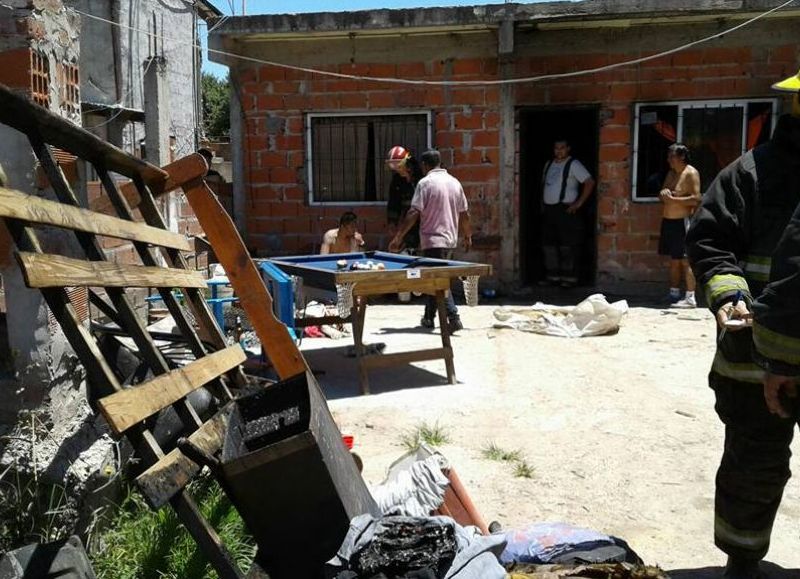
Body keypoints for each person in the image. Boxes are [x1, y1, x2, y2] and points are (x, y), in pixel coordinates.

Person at [685, 68, 800, 579]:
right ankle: (743, 558)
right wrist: (727, 292)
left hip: (759, 354)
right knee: (753, 463)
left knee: (752, 460)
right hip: (751, 352)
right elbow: (709, 240)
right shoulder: (749, 172)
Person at [388, 149, 471, 333]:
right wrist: (467, 235)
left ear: (425, 166)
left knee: (439, 282)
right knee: (436, 278)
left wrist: (398, 237)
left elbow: (413, 212)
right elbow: (464, 213)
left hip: (433, 240)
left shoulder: (424, 184)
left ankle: (454, 317)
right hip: (450, 240)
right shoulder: (454, 182)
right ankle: (428, 317)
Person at [540, 138, 595, 288]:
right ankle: (553, 277)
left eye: (562, 148)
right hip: (550, 211)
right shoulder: (549, 164)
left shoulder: (573, 164)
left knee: (568, 246)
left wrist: (579, 203)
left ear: (568, 149)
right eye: (556, 148)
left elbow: (589, 182)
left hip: (566, 210)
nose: (559, 151)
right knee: (549, 245)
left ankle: (569, 278)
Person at [658, 143, 701, 308]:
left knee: (685, 260)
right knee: (674, 260)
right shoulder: (671, 173)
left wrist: (674, 200)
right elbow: (663, 193)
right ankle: (674, 293)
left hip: (683, 221)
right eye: (668, 156)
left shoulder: (691, 173)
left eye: (672, 156)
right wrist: (664, 194)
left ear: (681, 157)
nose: (669, 160)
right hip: (669, 222)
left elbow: (696, 199)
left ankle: (690, 297)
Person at [386, 145, 423, 253]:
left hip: (425, 220)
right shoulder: (397, 180)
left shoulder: (420, 176)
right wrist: (392, 221)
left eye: (398, 165)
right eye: (393, 166)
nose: (396, 169)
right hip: (409, 221)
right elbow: (394, 202)